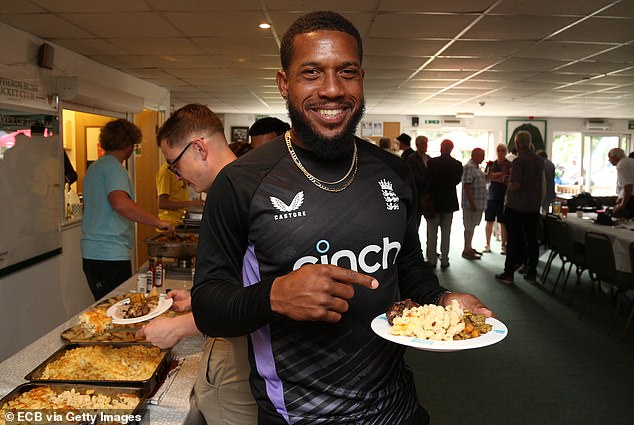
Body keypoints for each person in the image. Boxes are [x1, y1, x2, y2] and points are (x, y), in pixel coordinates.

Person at [190, 11, 493, 424]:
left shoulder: (393, 172)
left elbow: (407, 267)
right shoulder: (241, 182)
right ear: (284, 83)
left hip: (396, 408)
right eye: (311, 73)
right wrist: (274, 296)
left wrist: (442, 300)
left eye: (346, 72)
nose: (332, 89)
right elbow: (208, 307)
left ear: (362, 78)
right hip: (299, 415)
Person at [141, 103, 257, 425]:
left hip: (241, 350)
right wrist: (198, 300)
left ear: (200, 148)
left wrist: (179, 328)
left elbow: (260, 295)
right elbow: (240, 275)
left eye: (175, 165)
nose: (178, 177)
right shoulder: (240, 184)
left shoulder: (235, 192)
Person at [81, 119, 174, 300]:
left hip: (92, 252)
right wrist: (159, 222)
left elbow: (89, 207)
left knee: (105, 306)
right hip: (109, 254)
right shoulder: (115, 169)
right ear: (128, 145)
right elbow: (120, 204)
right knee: (116, 307)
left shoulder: (94, 168)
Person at [495, 130, 544, 284]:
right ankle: (531, 273)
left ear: (517, 144)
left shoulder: (519, 161)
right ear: (529, 143)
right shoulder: (539, 160)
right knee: (532, 240)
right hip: (533, 207)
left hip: (516, 207)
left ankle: (509, 273)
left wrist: (506, 181)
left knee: (514, 240)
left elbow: (516, 186)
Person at [424, 139, 463, 269]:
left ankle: (432, 261)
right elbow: (457, 181)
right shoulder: (457, 164)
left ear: (441, 148)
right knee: (446, 234)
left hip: (433, 203)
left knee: (432, 233)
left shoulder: (431, 163)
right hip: (449, 203)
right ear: (451, 149)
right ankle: (445, 260)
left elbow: (427, 181)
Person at [483, 143, 511, 254]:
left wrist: (495, 176)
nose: (500, 153)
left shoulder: (509, 164)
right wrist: (500, 175)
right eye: (499, 150)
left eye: (503, 151)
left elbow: (508, 179)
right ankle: (487, 244)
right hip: (491, 196)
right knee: (489, 220)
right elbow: (487, 178)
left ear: (506, 152)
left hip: (504, 197)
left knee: (503, 222)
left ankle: (503, 246)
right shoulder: (491, 164)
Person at [461, 147, 486, 260]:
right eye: (481, 155)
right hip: (472, 205)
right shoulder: (469, 167)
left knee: (472, 226)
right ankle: (466, 249)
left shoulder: (477, 167)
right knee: (469, 227)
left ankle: (469, 247)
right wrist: (472, 203)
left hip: (477, 204)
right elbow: (467, 186)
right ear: (474, 155)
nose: (483, 157)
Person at [405, 135, 431, 224]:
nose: (426, 146)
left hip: (428, 194)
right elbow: (414, 177)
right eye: (423, 144)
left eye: (426, 143)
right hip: (418, 194)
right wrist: (429, 180)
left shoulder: (428, 158)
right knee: (416, 221)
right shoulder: (412, 158)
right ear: (417, 145)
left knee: (430, 222)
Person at [608, 147, 634, 218]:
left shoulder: (621, 165)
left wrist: (623, 204)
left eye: (610, 158)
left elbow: (628, 185)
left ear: (615, 157)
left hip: (631, 199)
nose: (609, 160)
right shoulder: (631, 161)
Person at [537, 149, 556, 214]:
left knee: (540, 212)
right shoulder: (551, 164)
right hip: (551, 191)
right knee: (546, 212)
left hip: (542, 191)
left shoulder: (540, 164)